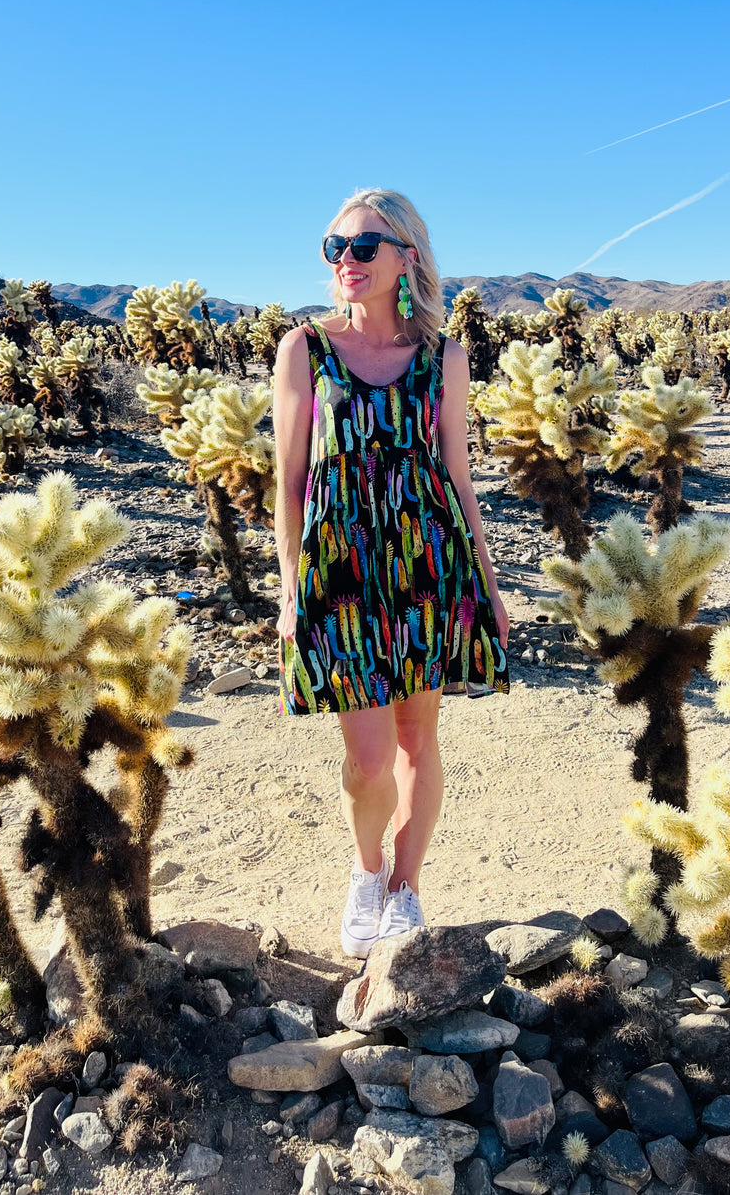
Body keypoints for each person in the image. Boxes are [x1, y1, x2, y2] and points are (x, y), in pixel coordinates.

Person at [273, 188, 510, 959]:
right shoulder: (304, 349)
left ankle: (405, 887)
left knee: (417, 741)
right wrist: (287, 588)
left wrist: (490, 583)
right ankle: (365, 869)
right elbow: (290, 482)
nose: (346, 260)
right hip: (339, 574)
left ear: (407, 256)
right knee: (367, 758)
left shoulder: (443, 357)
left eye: (364, 246)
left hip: (427, 567)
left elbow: (459, 477)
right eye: (334, 246)